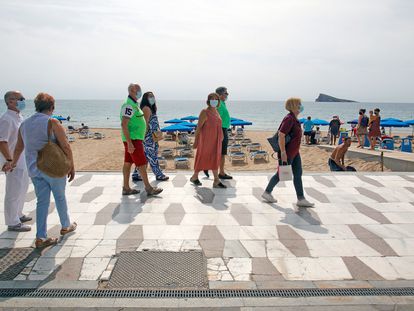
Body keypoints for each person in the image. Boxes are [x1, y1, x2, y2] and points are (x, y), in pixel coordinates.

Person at [5, 93, 77, 248]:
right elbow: (65, 146)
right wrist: (71, 165)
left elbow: (18, 148)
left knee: (42, 202)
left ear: (36, 106)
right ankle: (65, 226)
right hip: (54, 168)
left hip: (35, 169)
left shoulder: (24, 124)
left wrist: (13, 163)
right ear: (52, 107)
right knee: (60, 197)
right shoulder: (53, 122)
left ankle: (41, 237)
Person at [262, 98, 314, 207]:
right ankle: (267, 192)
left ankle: (301, 199)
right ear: (294, 105)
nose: (301, 106)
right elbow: (281, 135)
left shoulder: (294, 119)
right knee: (281, 174)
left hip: (295, 152)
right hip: (288, 153)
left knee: (298, 174)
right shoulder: (289, 118)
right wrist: (283, 152)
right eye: (299, 104)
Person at [120, 83, 163, 196]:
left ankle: (126, 187)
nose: (139, 92)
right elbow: (124, 124)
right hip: (133, 139)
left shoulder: (134, 105)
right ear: (131, 91)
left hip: (135, 139)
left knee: (128, 163)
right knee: (142, 163)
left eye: (139, 89)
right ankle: (148, 188)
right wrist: (129, 142)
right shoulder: (128, 105)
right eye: (136, 90)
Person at [0, 91, 31, 232]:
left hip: (22, 159)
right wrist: (9, 160)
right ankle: (12, 222)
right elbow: (2, 141)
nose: (23, 101)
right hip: (12, 161)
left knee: (22, 187)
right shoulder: (7, 119)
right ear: (11, 101)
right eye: (21, 99)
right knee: (13, 191)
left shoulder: (18, 116)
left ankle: (18, 214)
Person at [190, 93, 226, 189]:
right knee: (203, 157)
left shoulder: (217, 112)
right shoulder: (204, 112)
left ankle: (216, 180)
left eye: (216, 99)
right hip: (206, 140)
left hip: (216, 140)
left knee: (215, 158)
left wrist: (221, 136)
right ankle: (195, 176)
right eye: (212, 99)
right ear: (208, 101)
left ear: (218, 101)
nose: (214, 100)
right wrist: (196, 141)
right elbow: (198, 128)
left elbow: (219, 125)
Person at [132, 92, 169, 181]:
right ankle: (159, 174)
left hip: (152, 137)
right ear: (146, 99)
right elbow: (145, 124)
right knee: (153, 156)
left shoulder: (150, 108)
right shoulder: (146, 109)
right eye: (150, 97)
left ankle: (136, 174)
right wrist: (142, 138)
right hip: (148, 138)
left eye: (153, 96)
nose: (152, 98)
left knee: (145, 157)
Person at [215, 86, 232, 179]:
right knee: (222, 153)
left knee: (222, 152)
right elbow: (215, 118)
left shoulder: (222, 103)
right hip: (220, 130)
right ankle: (221, 173)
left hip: (224, 129)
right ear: (220, 94)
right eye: (226, 93)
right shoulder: (218, 104)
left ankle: (221, 171)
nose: (227, 94)